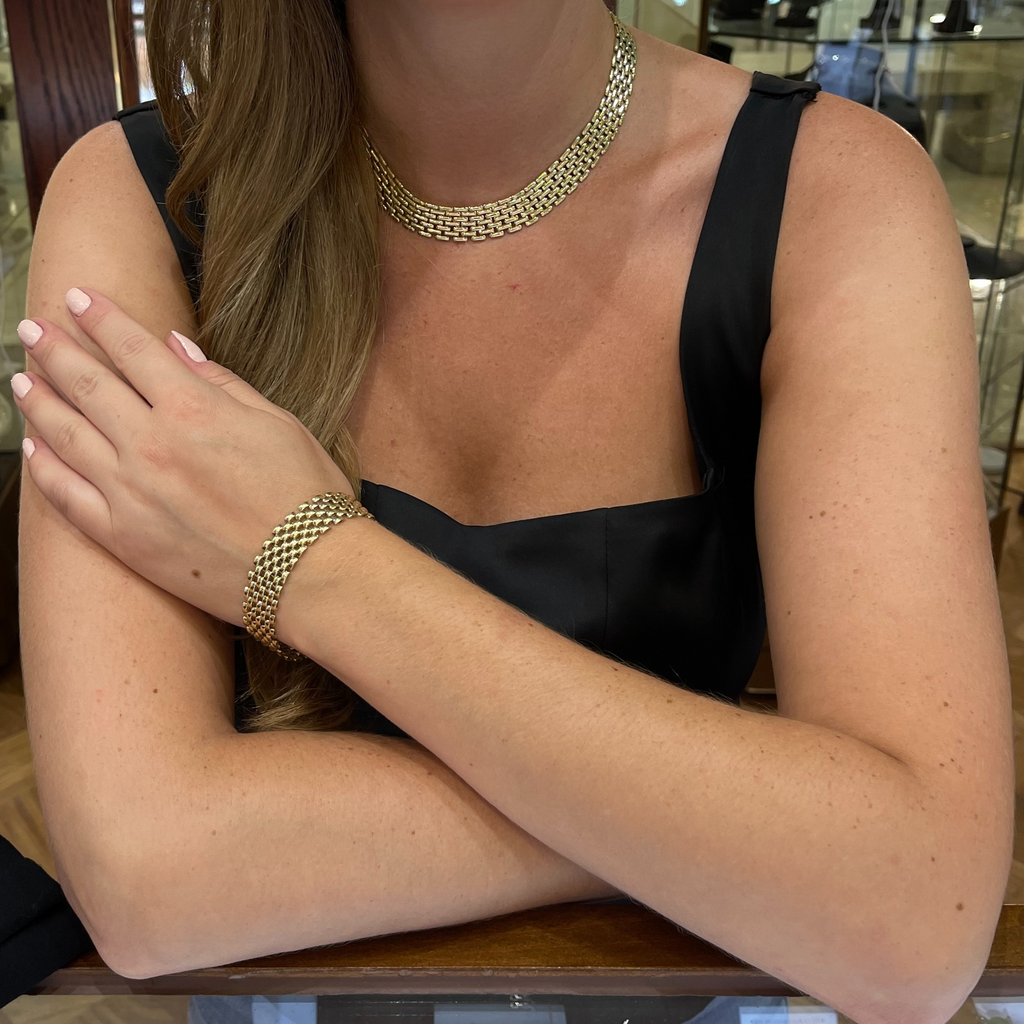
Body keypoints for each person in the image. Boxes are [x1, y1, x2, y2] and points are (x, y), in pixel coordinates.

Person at [13, 0, 1011, 1022]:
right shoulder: (148, 190)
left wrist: (306, 560)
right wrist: (729, 843)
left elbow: (914, 916)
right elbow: (147, 875)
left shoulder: (830, 191)